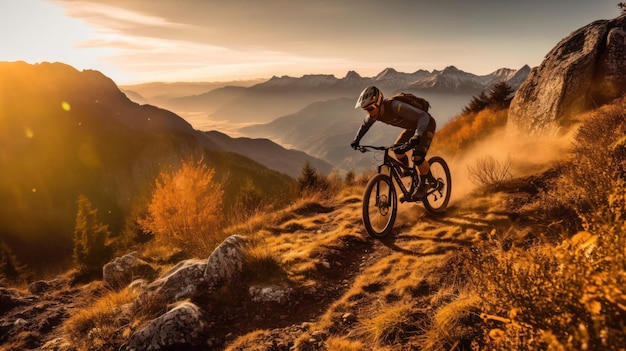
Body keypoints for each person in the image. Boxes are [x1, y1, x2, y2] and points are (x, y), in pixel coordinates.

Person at [351, 86, 436, 199]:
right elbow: (364, 125)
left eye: (370, 109)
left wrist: (418, 135)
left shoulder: (395, 107)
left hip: (425, 125)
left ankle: (424, 184)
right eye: (366, 110)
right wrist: (356, 140)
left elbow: (423, 116)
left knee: (417, 157)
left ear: (378, 103)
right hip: (412, 128)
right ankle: (410, 175)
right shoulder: (374, 114)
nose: (369, 113)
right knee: (397, 150)